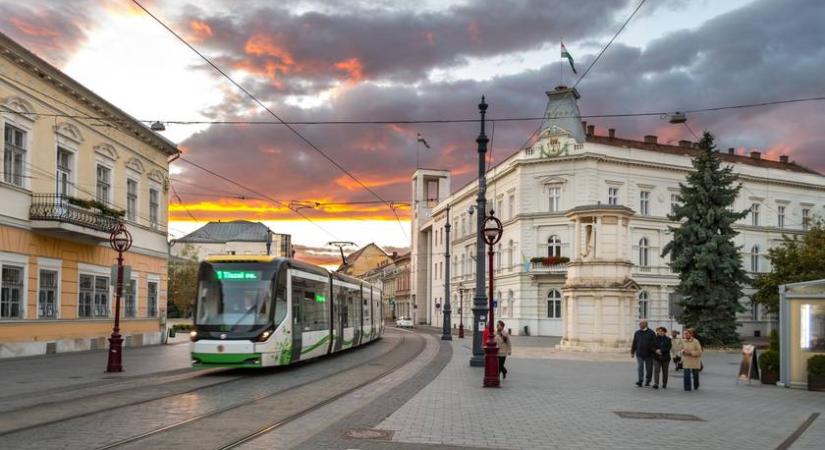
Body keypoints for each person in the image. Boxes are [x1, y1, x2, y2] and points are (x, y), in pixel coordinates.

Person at [631, 319, 656, 387]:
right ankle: (640, 380)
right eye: (640, 324)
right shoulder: (637, 333)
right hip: (639, 353)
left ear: (645, 324)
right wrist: (632, 352)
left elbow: (654, 343)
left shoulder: (652, 333)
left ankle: (648, 380)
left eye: (641, 324)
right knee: (640, 367)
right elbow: (634, 343)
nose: (640, 325)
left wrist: (652, 350)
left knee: (649, 368)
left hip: (649, 354)